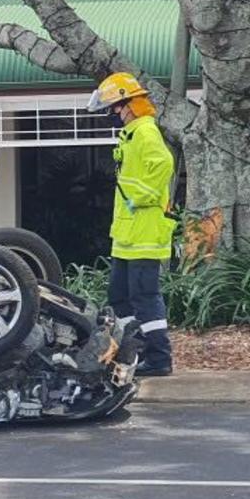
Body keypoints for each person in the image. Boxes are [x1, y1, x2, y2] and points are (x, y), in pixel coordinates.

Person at [87, 72, 176, 377]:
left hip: (145, 233)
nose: (112, 113)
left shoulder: (145, 132)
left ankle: (159, 358)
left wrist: (140, 198)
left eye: (114, 107)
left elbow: (164, 164)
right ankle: (133, 350)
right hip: (128, 234)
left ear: (129, 104)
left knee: (144, 296)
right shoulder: (132, 133)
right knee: (119, 297)